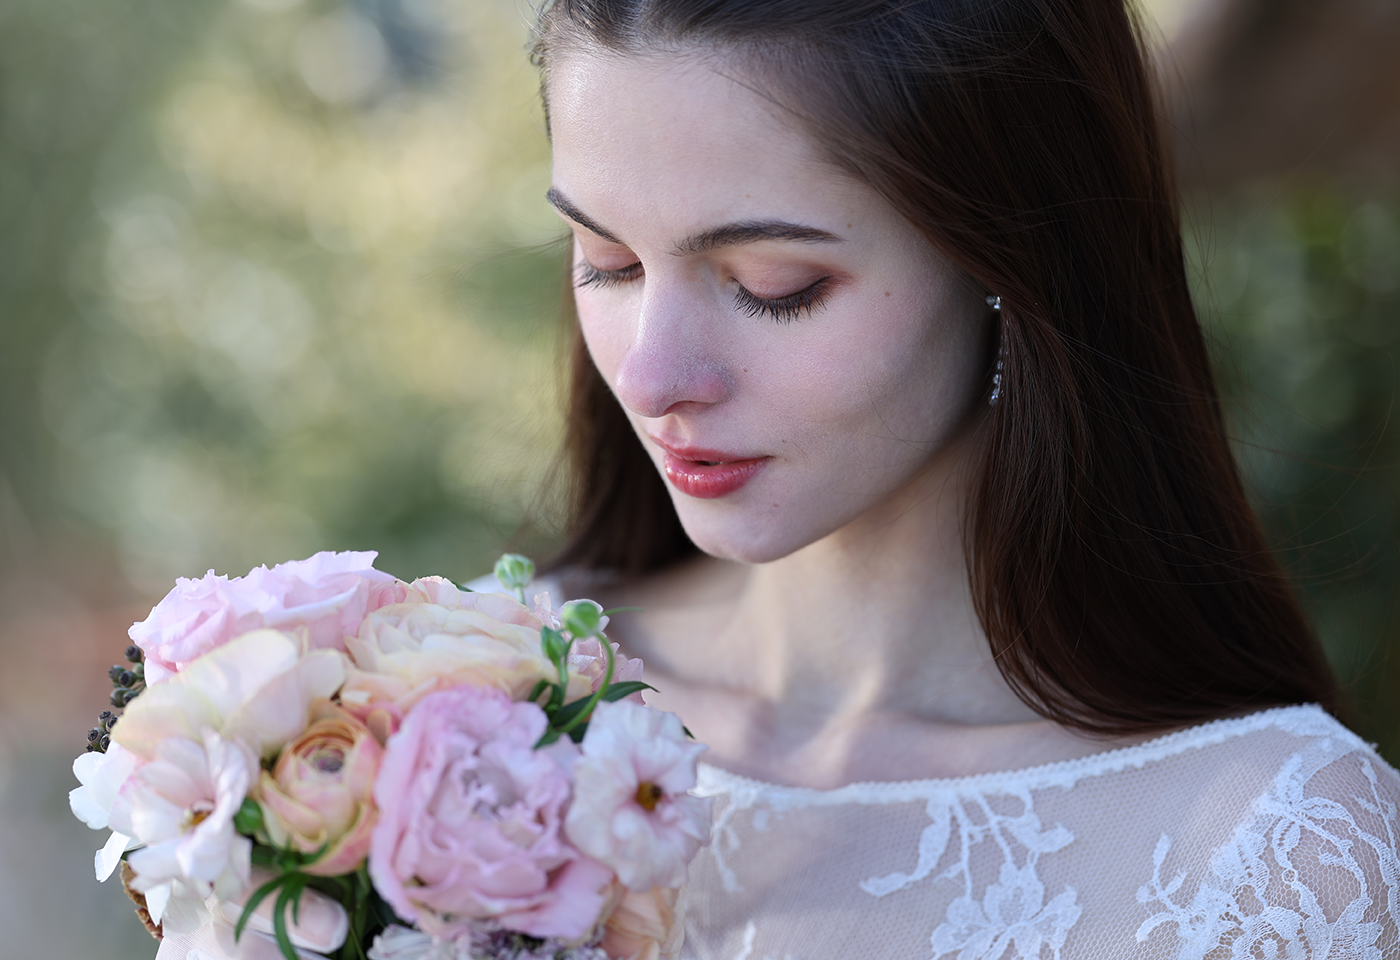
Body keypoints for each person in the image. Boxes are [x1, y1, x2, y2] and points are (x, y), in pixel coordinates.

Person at [157, 0, 1400, 958]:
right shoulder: (464, 710)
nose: (653, 375)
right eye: (605, 260)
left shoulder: (1277, 851)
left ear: (1012, 259)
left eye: (770, 286)